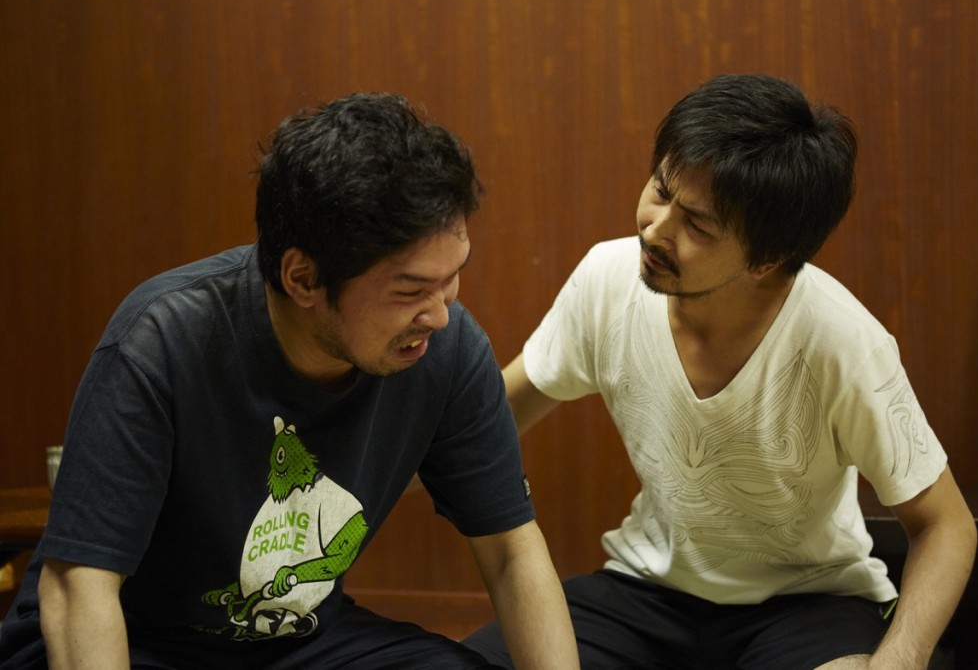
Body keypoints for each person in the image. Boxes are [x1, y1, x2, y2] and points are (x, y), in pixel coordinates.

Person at [0, 93, 578, 670]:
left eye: (451, 278)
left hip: (297, 639)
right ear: (302, 277)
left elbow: (510, 552)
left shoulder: (446, 349)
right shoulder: (162, 342)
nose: (440, 314)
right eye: (410, 290)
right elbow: (78, 588)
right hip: (136, 639)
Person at [464, 74, 977, 669]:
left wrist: (901, 660)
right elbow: (487, 424)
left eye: (698, 225)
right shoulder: (608, 281)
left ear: (767, 259)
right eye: (660, 190)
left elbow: (946, 525)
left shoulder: (841, 341)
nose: (656, 229)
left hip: (808, 603)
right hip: (645, 589)